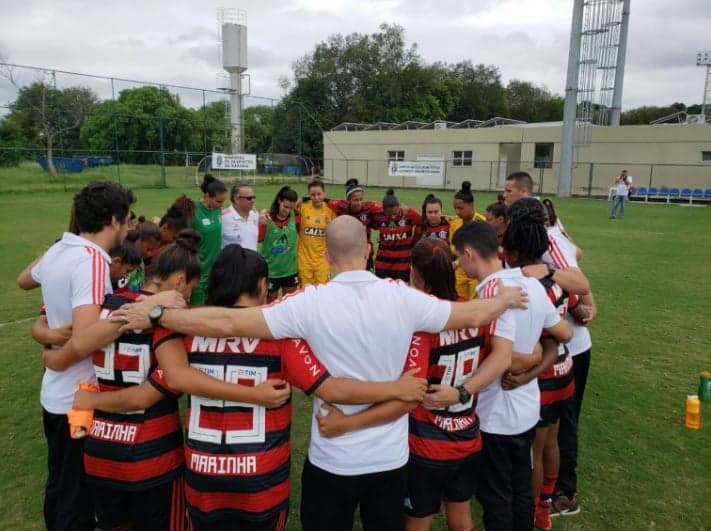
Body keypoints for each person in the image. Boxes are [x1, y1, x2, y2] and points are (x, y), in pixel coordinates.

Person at [112, 216, 528, 531]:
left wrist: (157, 313)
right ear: (368, 248)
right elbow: (473, 311)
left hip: (332, 459)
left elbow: (229, 323)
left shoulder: (306, 303)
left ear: (327, 257)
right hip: (390, 458)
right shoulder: (405, 299)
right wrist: (506, 296)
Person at [44, 230, 203, 531]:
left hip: (101, 452)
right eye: (191, 289)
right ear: (180, 281)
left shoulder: (104, 305)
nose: (189, 297)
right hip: (152, 458)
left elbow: (60, 334)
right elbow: (146, 395)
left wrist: (48, 348)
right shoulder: (167, 323)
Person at [25, 181, 135, 531]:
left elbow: (24, 279)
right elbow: (87, 337)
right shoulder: (92, 260)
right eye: (129, 219)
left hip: (55, 394)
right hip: (79, 395)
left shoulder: (61, 249)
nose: (130, 227)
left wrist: (47, 333)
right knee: (76, 497)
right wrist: (58, 358)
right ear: (115, 220)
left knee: (59, 483)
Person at [452, 221, 572, 531]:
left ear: (469, 254)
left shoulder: (492, 293)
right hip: (527, 410)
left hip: (495, 415)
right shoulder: (530, 284)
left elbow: (487, 354)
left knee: (495, 496)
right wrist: (532, 357)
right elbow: (563, 332)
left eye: (458, 256)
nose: (457, 263)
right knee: (521, 488)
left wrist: (521, 360)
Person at [403, 238, 514, 531]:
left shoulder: (422, 326)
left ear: (416, 273)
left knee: (417, 521)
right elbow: (501, 357)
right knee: (462, 520)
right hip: (467, 437)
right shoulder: (477, 313)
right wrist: (465, 391)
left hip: (426, 444)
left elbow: (409, 385)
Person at [499, 198, 589, 531]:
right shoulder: (559, 278)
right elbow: (578, 305)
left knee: (533, 452)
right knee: (552, 440)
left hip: (541, 372)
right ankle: (545, 505)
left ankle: (532, 513)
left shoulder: (523, 285)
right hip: (565, 368)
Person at [327, 178, 381, 270]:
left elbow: (387, 207)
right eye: (356, 200)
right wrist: (304, 199)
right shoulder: (340, 206)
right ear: (348, 201)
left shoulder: (370, 207)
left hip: (365, 253)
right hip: (346, 253)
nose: (359, 202)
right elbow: (324, 200)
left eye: (361, 199)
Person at [371, 188, 422, 282]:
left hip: (402, 267)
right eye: (389, 215)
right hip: (382, 266)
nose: (393, 217)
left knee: (402, 295)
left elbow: (422, 221)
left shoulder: (408, 214)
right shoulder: (378, 215)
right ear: (383, 210)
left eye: (395, 213)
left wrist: (415, 240)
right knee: (383, 295)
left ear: (399, 207)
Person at [259, 185, 300, 302]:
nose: (287, 211)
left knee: (290, 301)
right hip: (271, 271)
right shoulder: (267, 219)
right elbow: (258, 239)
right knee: (272, 303)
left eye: (291, 208)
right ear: (279, 201)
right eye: (285, 206)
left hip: (290, 270)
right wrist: (260, 219)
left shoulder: (296, 216)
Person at [191, 174, 227, 304]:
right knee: (196, 313)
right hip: (198, 271)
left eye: (223, 201)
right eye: (219, 201)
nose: (221, 205)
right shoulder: (193, 210)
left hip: (214, 270)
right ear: (207, 196)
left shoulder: (217, 210)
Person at [449, 181, 486, 300]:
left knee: (475, 304)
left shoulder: (482, 223)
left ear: (471, 205)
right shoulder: (454, 222)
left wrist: (459, 258)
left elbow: (480, 250)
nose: (457, 212)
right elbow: (452, 247)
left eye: (460, 208)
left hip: (476, 272)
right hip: (459, 273)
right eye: (455, 208)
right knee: (459, 302)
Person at [297, 179, 336, 286]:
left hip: (322, 261)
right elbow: (289, 207)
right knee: (306, 294)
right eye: (313, 195)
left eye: (319, 194)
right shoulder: (303, 206)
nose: (316, 197)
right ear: (309, 195)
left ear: (324, 193)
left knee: (322, 293)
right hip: (304, 260)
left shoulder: (330, 210)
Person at [125, 220, 161, 291]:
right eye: (148, 249)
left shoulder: (141, 261)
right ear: (139, 240)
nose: (149, 254)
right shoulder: (126, 261)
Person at [222, 183, 260, 250]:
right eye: (249, 198)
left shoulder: (255, 215)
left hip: (252, 260)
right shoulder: (223, 218)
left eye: (253, 197)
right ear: (236, 199)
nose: (253, 201)